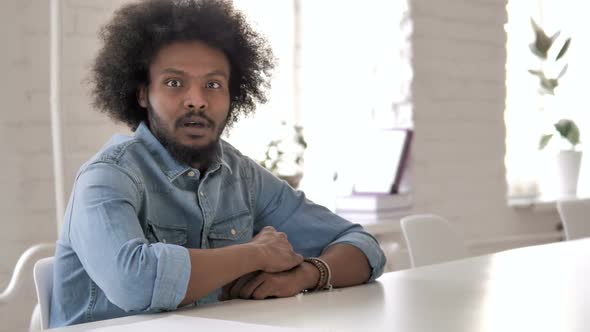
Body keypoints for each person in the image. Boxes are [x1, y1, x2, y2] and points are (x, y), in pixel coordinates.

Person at [49, 0, 386, 328]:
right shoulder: (107, 176)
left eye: (213, 84)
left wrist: (308, 275)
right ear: (142, 94)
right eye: (174, 82)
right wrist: (255, 254)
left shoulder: (242, 175)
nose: (197, 99)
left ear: (232, 96)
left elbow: (363, 246)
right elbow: (134, 282)